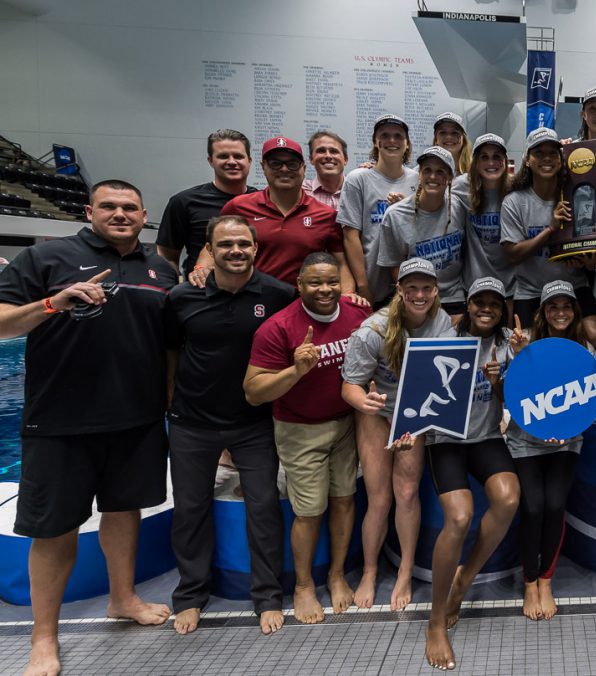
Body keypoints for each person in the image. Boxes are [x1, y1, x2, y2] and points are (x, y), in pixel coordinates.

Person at [0, 180, 178, 676]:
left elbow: (167, 345)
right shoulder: (47, 258)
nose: (120, 214)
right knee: (55, 529)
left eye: (129, 208)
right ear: (90, 210)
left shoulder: (159, 269)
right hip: (60, 420)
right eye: (109, 206)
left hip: (137, 419)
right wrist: (52, 304)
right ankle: (43, 638)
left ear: (144, 216)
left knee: (125, 511)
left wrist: (167, 401)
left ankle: (122, 599)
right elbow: (2, 325)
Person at [165, 215, 295, 635]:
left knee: (263, 508)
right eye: (226, 245)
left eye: (243, 244)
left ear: (256, 249)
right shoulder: (183, 296)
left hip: (253, 423)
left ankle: (268, 596)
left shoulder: (277, 294)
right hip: (192, 423)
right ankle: (190, 596)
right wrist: (172, 405)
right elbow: (170, 353)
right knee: (189, 510)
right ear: (210, 249)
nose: (235, 251)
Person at [243, 253, 371, 624]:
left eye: (332, 281)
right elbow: (253, 391)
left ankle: (335, 575)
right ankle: (303, 586)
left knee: (345, 499)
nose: (325, 290)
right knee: (309, 511)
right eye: (315, 282)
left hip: (347, 422)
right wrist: (295, 371)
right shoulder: (277, 328)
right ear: (299, 285)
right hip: (300, 429)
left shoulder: (356, 313)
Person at [342, 258, 456, 610]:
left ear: (435, 291)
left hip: (415, 413)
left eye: (426, 288)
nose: (419, 295)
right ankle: (371, 571)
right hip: (376, 411)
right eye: (412, 288)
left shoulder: (442, 323)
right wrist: (368, 404)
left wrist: (420, 420)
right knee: (379, 498)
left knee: (406, 492)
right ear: (399, 290)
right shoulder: (372, 331)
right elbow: (350, 387)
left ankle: (405, 571)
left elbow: (447, 383)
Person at [424, 277, 520, 671]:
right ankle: (434, 623)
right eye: (479, 302)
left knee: (509, 497)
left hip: (483, 437)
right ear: (468, 304)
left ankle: (463, 580)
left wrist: (499, 383)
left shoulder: (510, 342)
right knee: (460, 516)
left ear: (502, 309)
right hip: (445, 439)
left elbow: (515, 399)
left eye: (494, 304)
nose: (486, 309)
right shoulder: (444, 332)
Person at [505, 280, 591, 621]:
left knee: (555, 504)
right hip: (526, 441)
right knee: (533, 505)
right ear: (543, 311)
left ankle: (545, 580)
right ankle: (529, 580)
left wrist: (564, 428)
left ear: (574, 311)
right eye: (553, 306)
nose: (560, 312)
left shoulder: (583, 345)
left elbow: (590, 399)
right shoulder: (524, 340)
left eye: (566, 306)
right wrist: (519, 354)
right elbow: (515, 393)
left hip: (566, 443)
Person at [189, 136, 355, 292]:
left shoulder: (326, 215)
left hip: (303, 304)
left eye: (292, 164)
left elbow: (340, 264)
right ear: (263, 167)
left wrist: (347, 297)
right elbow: (213, 245)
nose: (284, 169)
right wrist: (201, 268)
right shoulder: (238, 207)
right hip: (248, 299)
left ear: (304, 169)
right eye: (275, 164)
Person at [500, 127, 596, 342]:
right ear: (527, 160)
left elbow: (589, 241)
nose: (546, 158)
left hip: (574, 287)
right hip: (531, 291)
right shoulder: (515, 201)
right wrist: (550, 229)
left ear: (561, 159)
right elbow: (513, 254)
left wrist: (590, 261)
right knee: (528, 349)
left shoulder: (577, 193)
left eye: (552, 153)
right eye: (539, 153)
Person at [339, 113, 419, 306]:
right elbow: (350, 235)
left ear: (407, 144)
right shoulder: (358, 179)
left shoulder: (418, 179)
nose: (392, 140)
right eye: (385, 135)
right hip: (371, 281)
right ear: (376, 142)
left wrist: (402, 212)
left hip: (410, 282)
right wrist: (363, 285)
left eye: (398, 136)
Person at [377, 147, 465, 316]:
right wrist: (413, 297)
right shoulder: (395, 215)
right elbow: (395, 265)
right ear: (419, 175)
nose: (433, 176)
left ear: (449, 177)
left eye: (440, 171)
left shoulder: (459, 206)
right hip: (417, 297)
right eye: (427, 170)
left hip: (454, 295)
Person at [157, 129, 255, 276]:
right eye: (223, 156)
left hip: (254, 291)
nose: (232, 162)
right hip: (202, 292)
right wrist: (172, 289)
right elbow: (167, 255)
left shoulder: (262, 201)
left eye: (238, 156)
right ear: (210, 161)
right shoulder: (184, 202)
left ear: (249, 160)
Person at [452, 134, 514, 310]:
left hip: (510, 285)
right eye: (484, 157)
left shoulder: (516, 188)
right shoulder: (461, 186)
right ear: (476, 162)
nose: (491, 163)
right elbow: (430, 183)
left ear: (504, 160)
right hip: (473, 285)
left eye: (496, 157)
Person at [303, 130, 348, 210]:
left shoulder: (360, 191)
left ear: (345, 159)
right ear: (311, 159)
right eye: (321, 151)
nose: (328, 156)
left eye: (334, 151)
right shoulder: (300, 193)